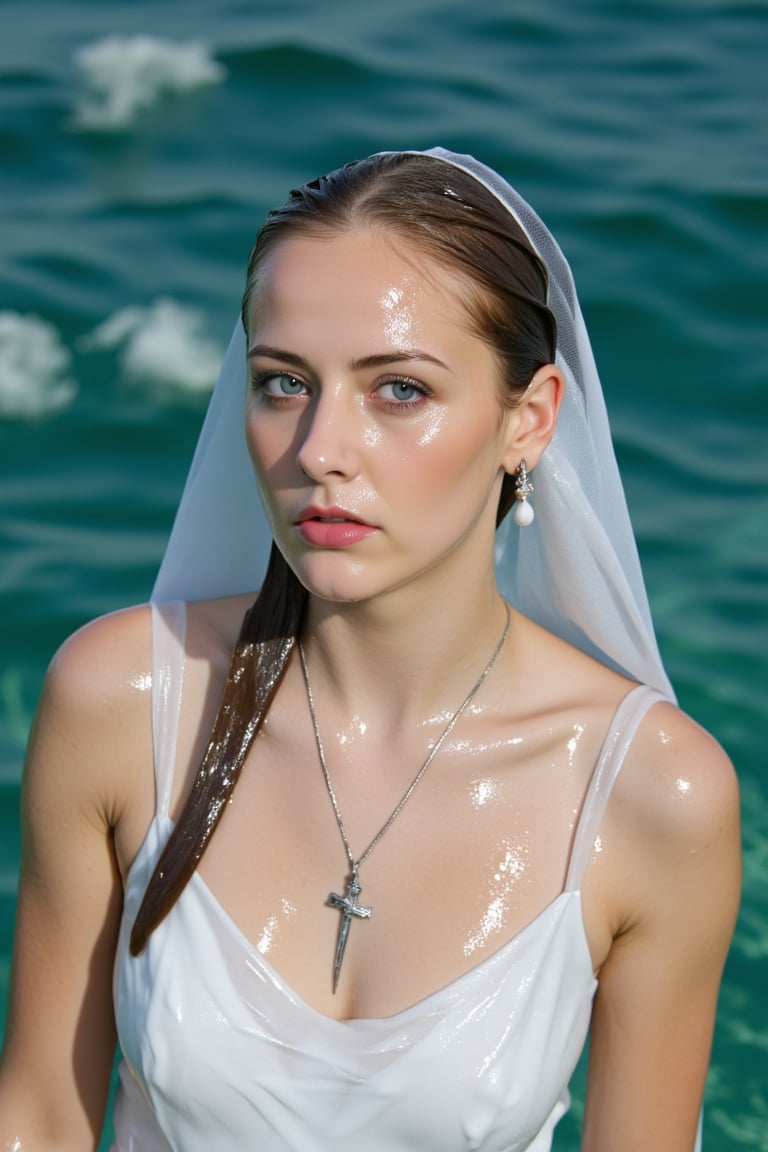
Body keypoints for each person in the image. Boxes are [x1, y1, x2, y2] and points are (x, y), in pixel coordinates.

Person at [0, 148, 740, 1151]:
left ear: (529, 419)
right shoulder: (125, 701)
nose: (317, 451)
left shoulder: (650, 795)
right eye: (281, 384)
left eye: (398, 390)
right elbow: (38, 1113)